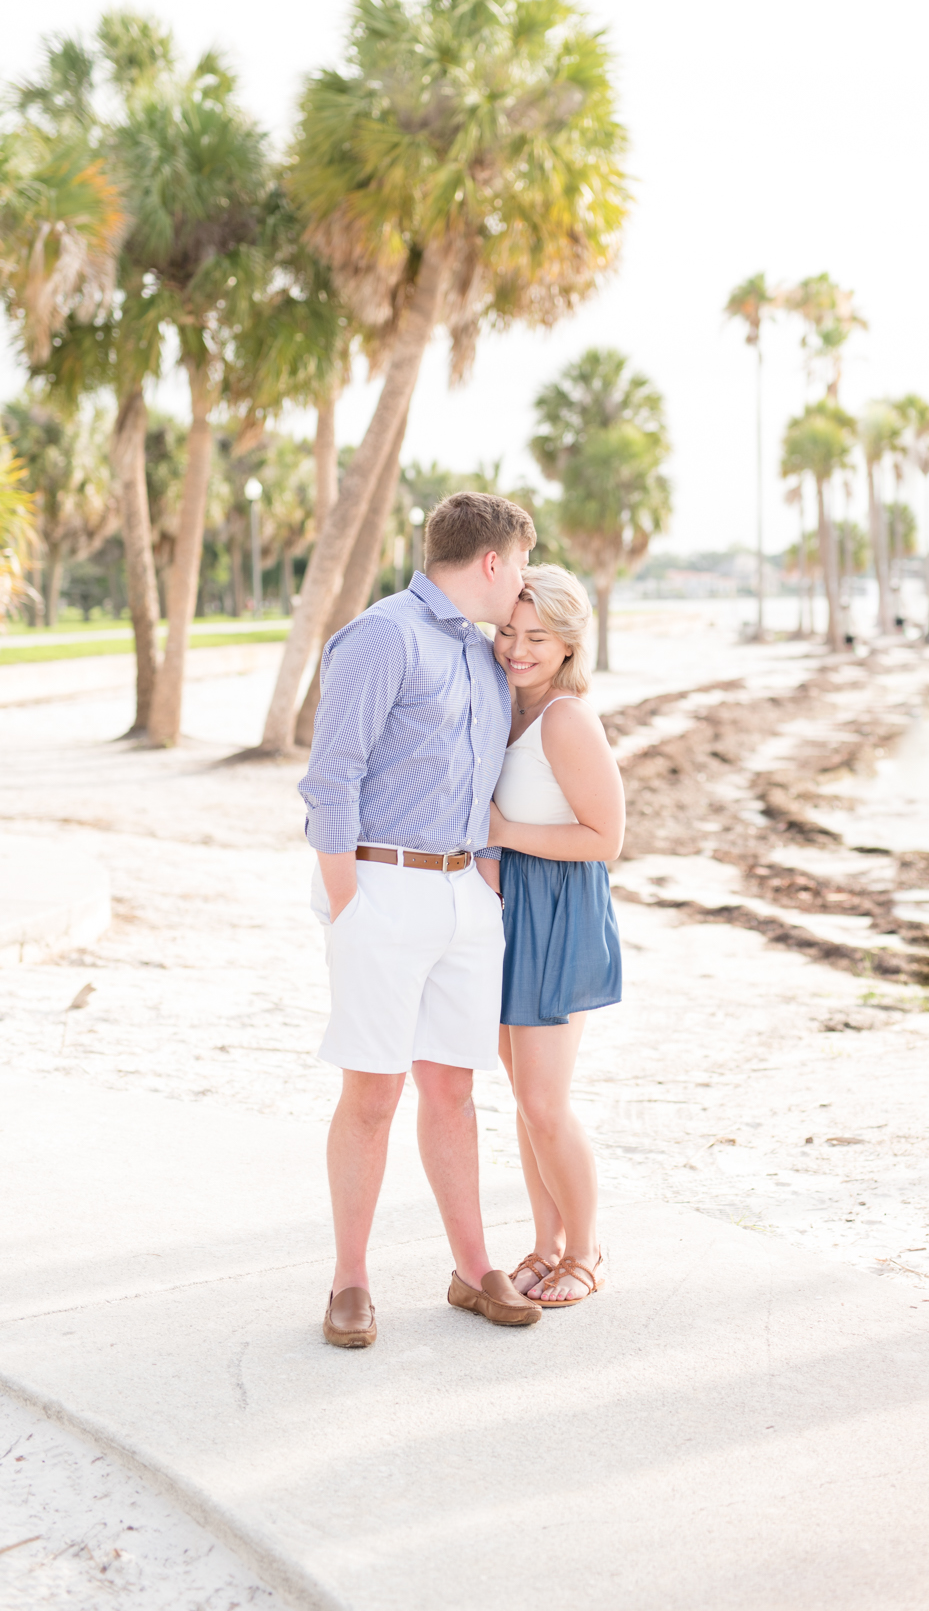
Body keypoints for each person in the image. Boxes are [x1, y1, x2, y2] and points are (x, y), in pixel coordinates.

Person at [299, 490, 540, 1349]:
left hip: (464, 900)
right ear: (490, 560)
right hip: (382, 888)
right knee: (373, 1091)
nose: (523, 581)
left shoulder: (481, 653)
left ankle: (474, 1272)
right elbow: (331, 778)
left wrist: (485, 880)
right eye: (520, 563)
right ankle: (351, 1282)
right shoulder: (384, 634)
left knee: (453, 1088)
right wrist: (347, 898)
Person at [486, 565, 626, 1308]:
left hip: (556, 910)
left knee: (545, 1100)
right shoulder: (503, 706)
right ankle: (543, 1245)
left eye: (538, 636)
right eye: (509, 630)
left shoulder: (566, 719)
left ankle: (585, 1248)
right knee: (524, 1097)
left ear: (570, 646)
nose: (518, 647)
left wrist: (506, 832)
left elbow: (605, 839)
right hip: (508, 911)